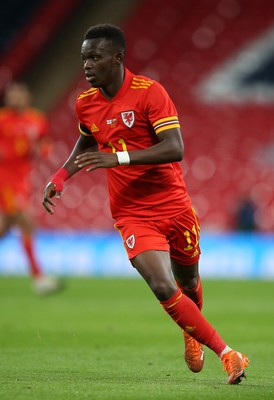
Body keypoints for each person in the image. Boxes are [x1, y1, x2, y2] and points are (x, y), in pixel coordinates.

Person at [42, 24, 249, 383]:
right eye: (83, 58)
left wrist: (119, 159)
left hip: (172, 204)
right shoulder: (85, 103)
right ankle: (229, 354)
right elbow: (87, 144)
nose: (87, 65)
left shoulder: (149, 93)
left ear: (118, 58)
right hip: (131, 212)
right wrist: (60, 177)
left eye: (95, 57)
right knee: (162, 284)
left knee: (189, 278)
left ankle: (190, 329)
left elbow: (175, 148)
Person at [0, 82, 61, 295]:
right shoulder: (1, 119)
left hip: (21, 179)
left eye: (19, 95)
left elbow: (45, 143)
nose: (14, 98)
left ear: (27, 97)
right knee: (26, 223)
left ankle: (39, 278)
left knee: (5, 227)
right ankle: (38, 278)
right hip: (5, 179)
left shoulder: (36, 120)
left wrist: (41, 150)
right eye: (11, 95)